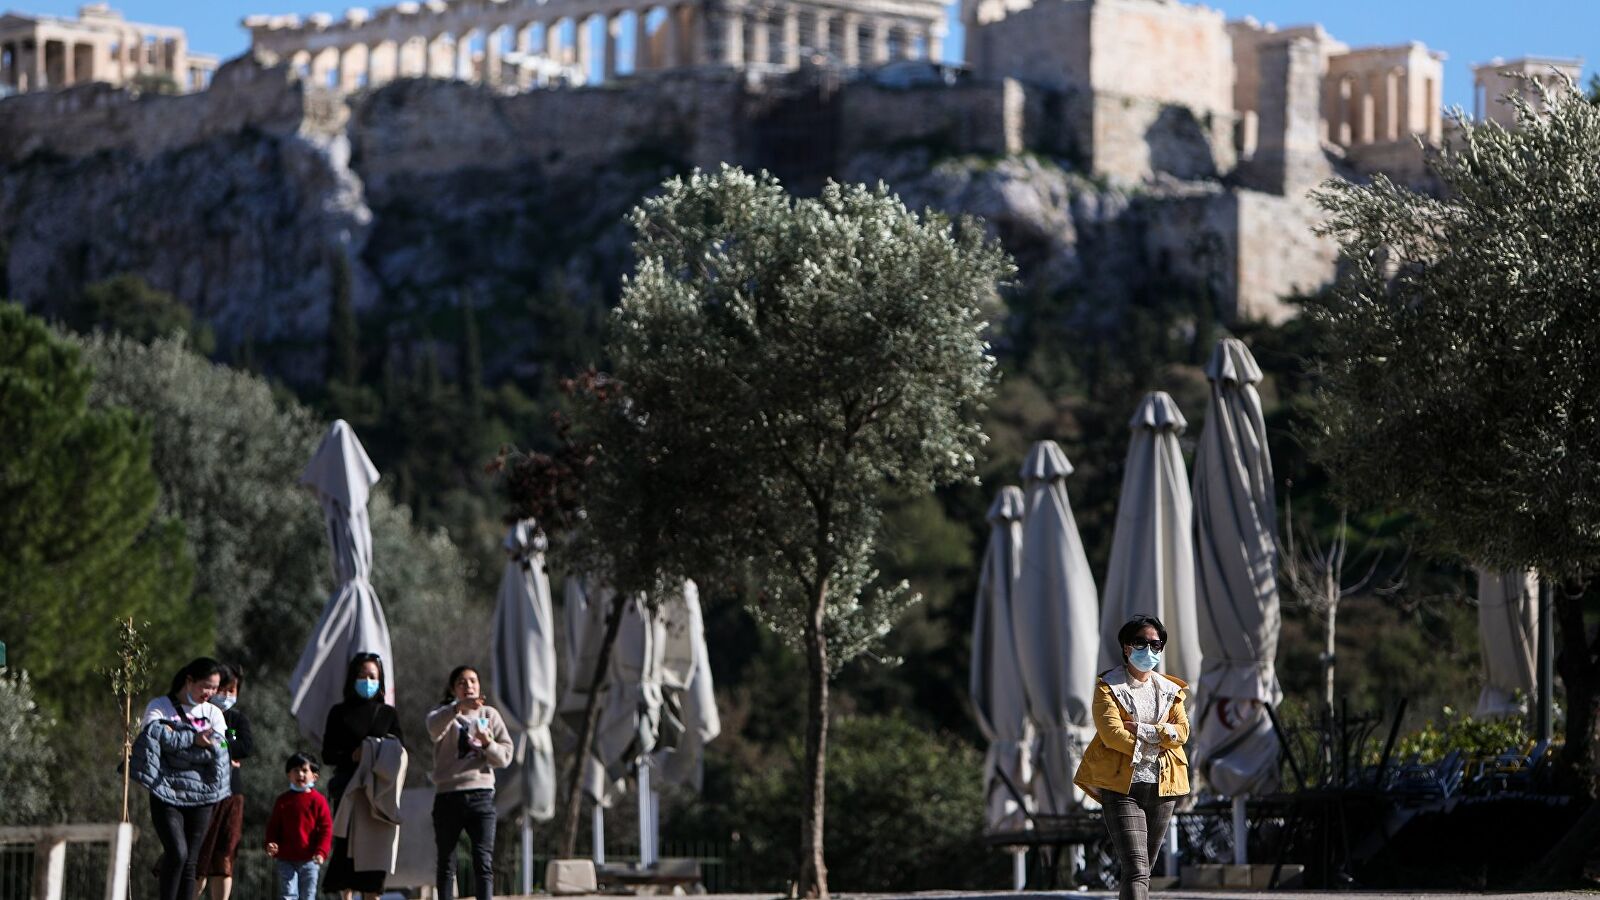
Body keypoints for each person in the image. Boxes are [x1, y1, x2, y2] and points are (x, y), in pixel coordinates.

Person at [1074, 615, 1192, 900]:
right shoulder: (1108, 687)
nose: (1148, 649)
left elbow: (1183, 732)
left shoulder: (1171, 690)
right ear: (1126, 647)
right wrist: (1161, 738)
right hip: (1122, 787)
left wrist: (1142, 730)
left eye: (1155, 644)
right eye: (1141, 642)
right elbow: (1112, 734)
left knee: (1143, 871)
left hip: (1164, 786)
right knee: (1137, 869)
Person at [133, 657, 232, 900]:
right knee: (177, 852)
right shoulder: (159, 706)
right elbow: (152, 737)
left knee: (191, 862)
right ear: (189, 680)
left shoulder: (214, 713)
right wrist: (195, 740)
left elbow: (222, 745)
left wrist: (175, 740)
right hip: (165, 792)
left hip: (202, 795)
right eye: (205, 685)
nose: (209, 692)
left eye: (214, 688)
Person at [425, 666, 514, 900]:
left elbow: (505, 755)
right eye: (462, 682)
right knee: (446, 862)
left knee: (483, 862)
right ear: (454, 688)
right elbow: (432, 729)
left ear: (479, 686)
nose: (469, 686)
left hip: (481, 796)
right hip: (448, 795)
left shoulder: (489, 715)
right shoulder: (444, 714)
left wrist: (488, 745)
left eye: (473, 681)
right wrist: (456, 709)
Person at [321, 651, 403, 900]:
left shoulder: (388, 714)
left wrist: (376, 753)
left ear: (380, 680)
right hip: (348, 791)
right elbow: (328, 754)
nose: (367, 680)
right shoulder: (339, 712)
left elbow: (399, 750)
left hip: (379, 795)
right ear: (352, 678)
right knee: (346, 854)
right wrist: (352, 756)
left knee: (375, 858)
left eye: (372, 676)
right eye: (362, 675)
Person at [195, 664, 254, 900]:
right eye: (223, 689)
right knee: (199, 857)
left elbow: (244, 746)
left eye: (233, 689)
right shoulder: (200, 715)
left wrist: (219, 745)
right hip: (202, 794)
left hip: (231, 795)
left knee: (225, 855)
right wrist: (226, 749)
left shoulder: (236, 720)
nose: (227, 694)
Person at [266, 752, 333, 900]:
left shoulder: (318, 801)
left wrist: (321, 851)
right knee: (288, 894)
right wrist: (271, 843)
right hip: (286, 859)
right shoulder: (283, 801)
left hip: (310, 860)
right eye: (295, 770)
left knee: (308, 895)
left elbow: (326, 829)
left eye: (304, 770)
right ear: (289, 775)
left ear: (314, 776)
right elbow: (273, 827)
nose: (300, 774)